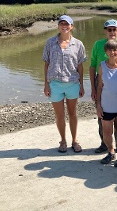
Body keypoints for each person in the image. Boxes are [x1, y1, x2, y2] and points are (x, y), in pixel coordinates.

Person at [43, 15, 87, 153]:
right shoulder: (50, 43)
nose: (64, 26)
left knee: (73, 114)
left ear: (71, 26)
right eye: (62, 23)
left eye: (67, 24)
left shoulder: (78, 44)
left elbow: (80, 66)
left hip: (72, 82)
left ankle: (75, 140)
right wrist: (46, 84)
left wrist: (82, 85)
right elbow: (46, 63)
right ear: (58, 26)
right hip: (55, 83)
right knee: (59, 115)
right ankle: (63, 140)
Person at [89, 19, 117, 156]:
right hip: (101, 81)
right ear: (105, 31)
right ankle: (104, 144)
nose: (112, 32)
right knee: (103, 115)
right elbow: (92, 66)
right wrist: (93, 88)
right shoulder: (97, 44)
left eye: (114, 29)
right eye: (109, 29)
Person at [96, 40, 117, 168]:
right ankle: (111, 152)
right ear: (106, 52)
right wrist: (98, 105)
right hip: (107, 104)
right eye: (110, 50)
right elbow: (99, 86)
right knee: (107, 131)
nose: (113, 52)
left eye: (115, 50)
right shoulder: (101, 66)